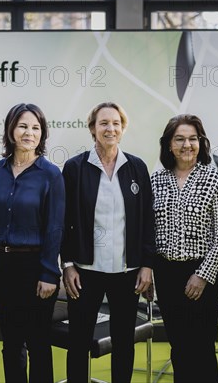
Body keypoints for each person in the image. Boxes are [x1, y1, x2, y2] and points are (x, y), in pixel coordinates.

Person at [61, 101, 155, 383]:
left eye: (116, 123)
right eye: (103, 123)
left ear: (123, 128)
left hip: (127, 272)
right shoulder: (74, 168)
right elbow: (64, 221)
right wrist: (67, 264)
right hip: (85, 270)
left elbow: (147, 221)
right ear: (93, 128)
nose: (110, 128)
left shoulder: (137, 167)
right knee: (78, 341)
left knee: (124, 342)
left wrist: (147, 265)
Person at [151, 114, 218, 382]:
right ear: (168, 145)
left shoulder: (214, 179)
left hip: (202, 273)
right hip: (166, 274)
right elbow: (149, 232)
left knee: (200, 346)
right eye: (179, 139)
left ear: (201, 143)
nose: (187, 145)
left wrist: (202, 275)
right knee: (178, 345)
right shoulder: (156, 180)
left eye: (192, 139)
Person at [0, 103, 65, 382]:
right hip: (3, 266)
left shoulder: (51, 174)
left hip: (35, 267)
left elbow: (55, 227)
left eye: (35, 127)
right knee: (11, 343)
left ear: (42, 134)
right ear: (11, 130)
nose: (29, 132)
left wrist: (48, 273)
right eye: (22, 126)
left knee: (38, 343)